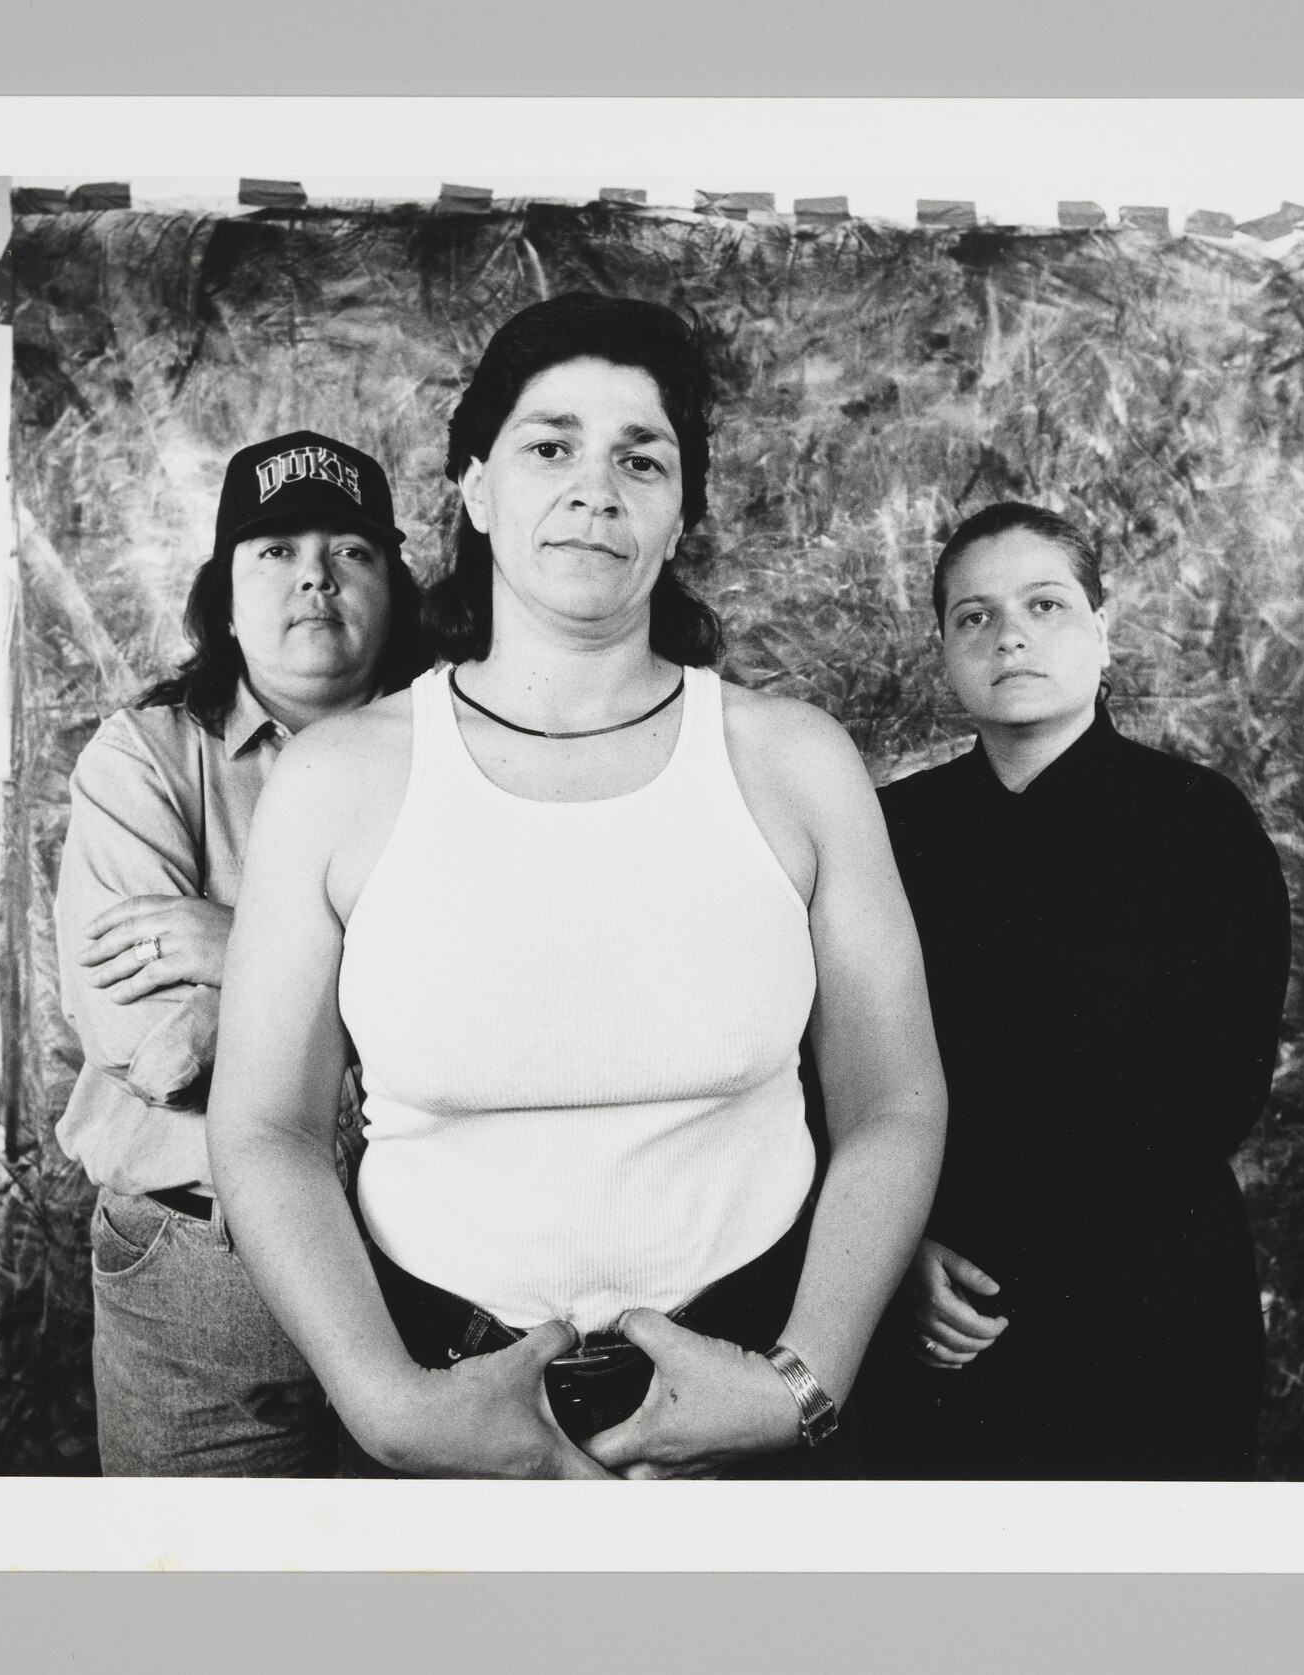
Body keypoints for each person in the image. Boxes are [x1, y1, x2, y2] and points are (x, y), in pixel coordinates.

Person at [207, 293, 947, 1480]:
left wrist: (797, 1382)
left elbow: (893, 1102)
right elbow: (264, 1128)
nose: (592, 489)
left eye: (638, 458)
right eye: (549, 446)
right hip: (439, 1398)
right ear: (475, 487)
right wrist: (389, 1406)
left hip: (753, 1391)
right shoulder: (340, 777)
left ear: (680, 509)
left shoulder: (793, 760)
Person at [860, 501, 1292, 1481]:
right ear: (941, 650)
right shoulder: (887, 829)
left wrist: (1019, 1267)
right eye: (972, 616)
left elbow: (1210, 1090)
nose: (1007, 633)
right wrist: (897, 1250)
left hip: (1140, 1299)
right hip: (924, 1302)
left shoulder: (1196, 826)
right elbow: (833, 1065)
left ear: (1102, 628)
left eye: (1044, 604)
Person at [52, 429, 428, 1476]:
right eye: (274, 550)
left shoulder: (462, 752)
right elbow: (159, 1048)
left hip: (428, 1255)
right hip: (199, 1270)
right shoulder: (143, 759)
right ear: (223, 597)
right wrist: (390, 981)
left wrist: (241, 950)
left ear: (394, 587)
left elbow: (517, 1015)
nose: (314, 573)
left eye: (352, 549)